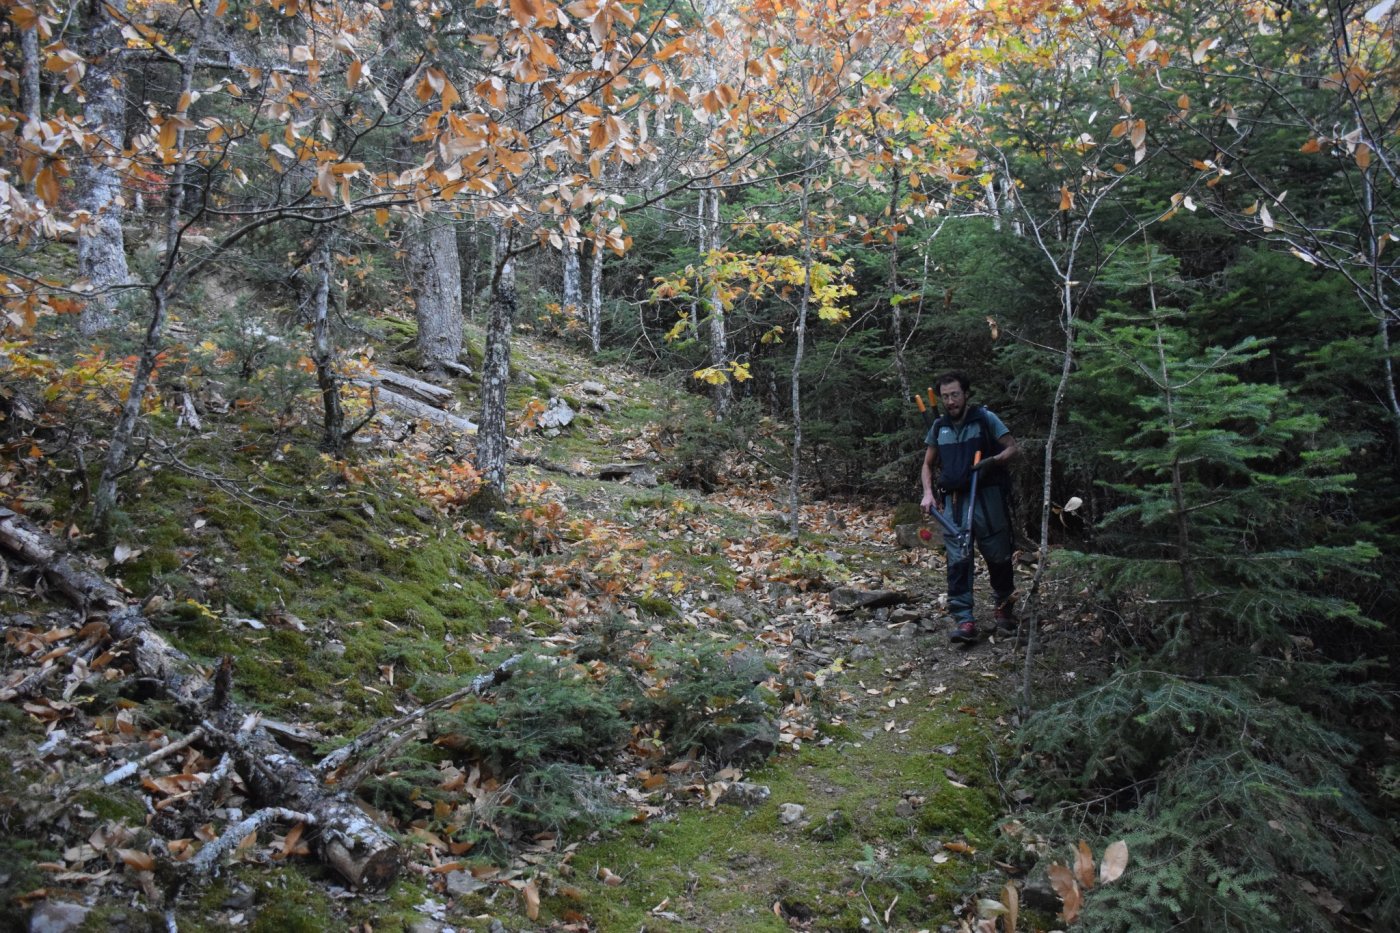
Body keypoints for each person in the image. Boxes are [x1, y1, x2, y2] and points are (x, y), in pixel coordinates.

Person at [919, 371, 1019, 644]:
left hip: (987, 498)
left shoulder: (985, 419)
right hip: (953, 501)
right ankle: (965, 620)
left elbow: (1012, 448)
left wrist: (994, 461)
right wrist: (928, 493)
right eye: (946, 396)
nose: (951, 401)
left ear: (965, 394)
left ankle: (1004, 610)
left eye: (955, 395)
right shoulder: (939, 427)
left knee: (998, 555)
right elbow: (927, 464)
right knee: (958, 561)